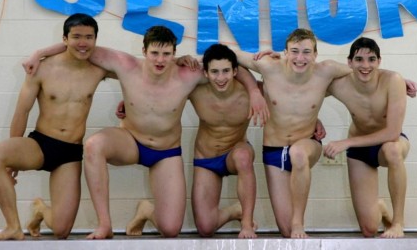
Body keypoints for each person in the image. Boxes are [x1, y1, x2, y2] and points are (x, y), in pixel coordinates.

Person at [22, 26, 267, 239]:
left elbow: (230, 65)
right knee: (94, 145)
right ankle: (104, 224)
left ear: (175, 53)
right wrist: (40, 53)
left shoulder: (189, 74)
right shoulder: (126, 65)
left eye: (166, 54)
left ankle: (147, 210)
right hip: (130, 141)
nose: (160, 60)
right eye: (154, 53)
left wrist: (255, 92)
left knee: (171, 229)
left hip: (166, 152)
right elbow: (81, 46)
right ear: (144, 51)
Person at [0, 13, 112, 240]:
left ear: (95, 40)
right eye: (76, 37)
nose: (83, 43)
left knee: (61, 231)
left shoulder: (99, 69)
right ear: (64, 39)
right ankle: (13, 226)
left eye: (89, 37)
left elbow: (137, 71)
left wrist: (179, 62)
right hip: (41, 144)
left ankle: (41, 210)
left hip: (70, 153)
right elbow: (22, 111)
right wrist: (12, 157)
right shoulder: (42, 69)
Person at [125, 44, 260, 238]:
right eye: (214, 72)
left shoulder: (251, 92)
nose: (220, 78)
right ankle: (233, 211)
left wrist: (313, 122)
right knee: (206, 228)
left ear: (235, 71)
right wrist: (129, 106)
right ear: (205, 72)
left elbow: (285, 102)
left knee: (243, 156)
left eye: (225, 72)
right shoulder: (195, 89)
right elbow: (159, 93)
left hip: (234, 151)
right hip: (206, 158)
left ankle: (246, 223)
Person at [231, 28, 353, 238]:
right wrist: (253, 90)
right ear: (285, 52)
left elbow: (365, 73)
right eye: (294, 51)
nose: (300, 58)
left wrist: (396, 81)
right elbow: (226, 54)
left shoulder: (327, 70)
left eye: (306, 52)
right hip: (274, 150)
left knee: (297, 153)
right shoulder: (268, 66)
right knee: (286, 231)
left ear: (315, 54)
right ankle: (291, 227)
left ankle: (299, 223)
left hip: (306, 145)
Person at [323, 37, 411, 238]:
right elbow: (307, 88)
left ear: (379, 62)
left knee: (392, 149)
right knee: (369, 229)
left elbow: (392, 133)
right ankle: (379, 207)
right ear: (349, 62)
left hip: (388, 142)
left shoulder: (393, 80)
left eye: (371, 59)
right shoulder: (339, 85)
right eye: (359, 59)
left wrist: (345, 143)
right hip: (361, 151)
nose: (365, 65)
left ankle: (398, 222)